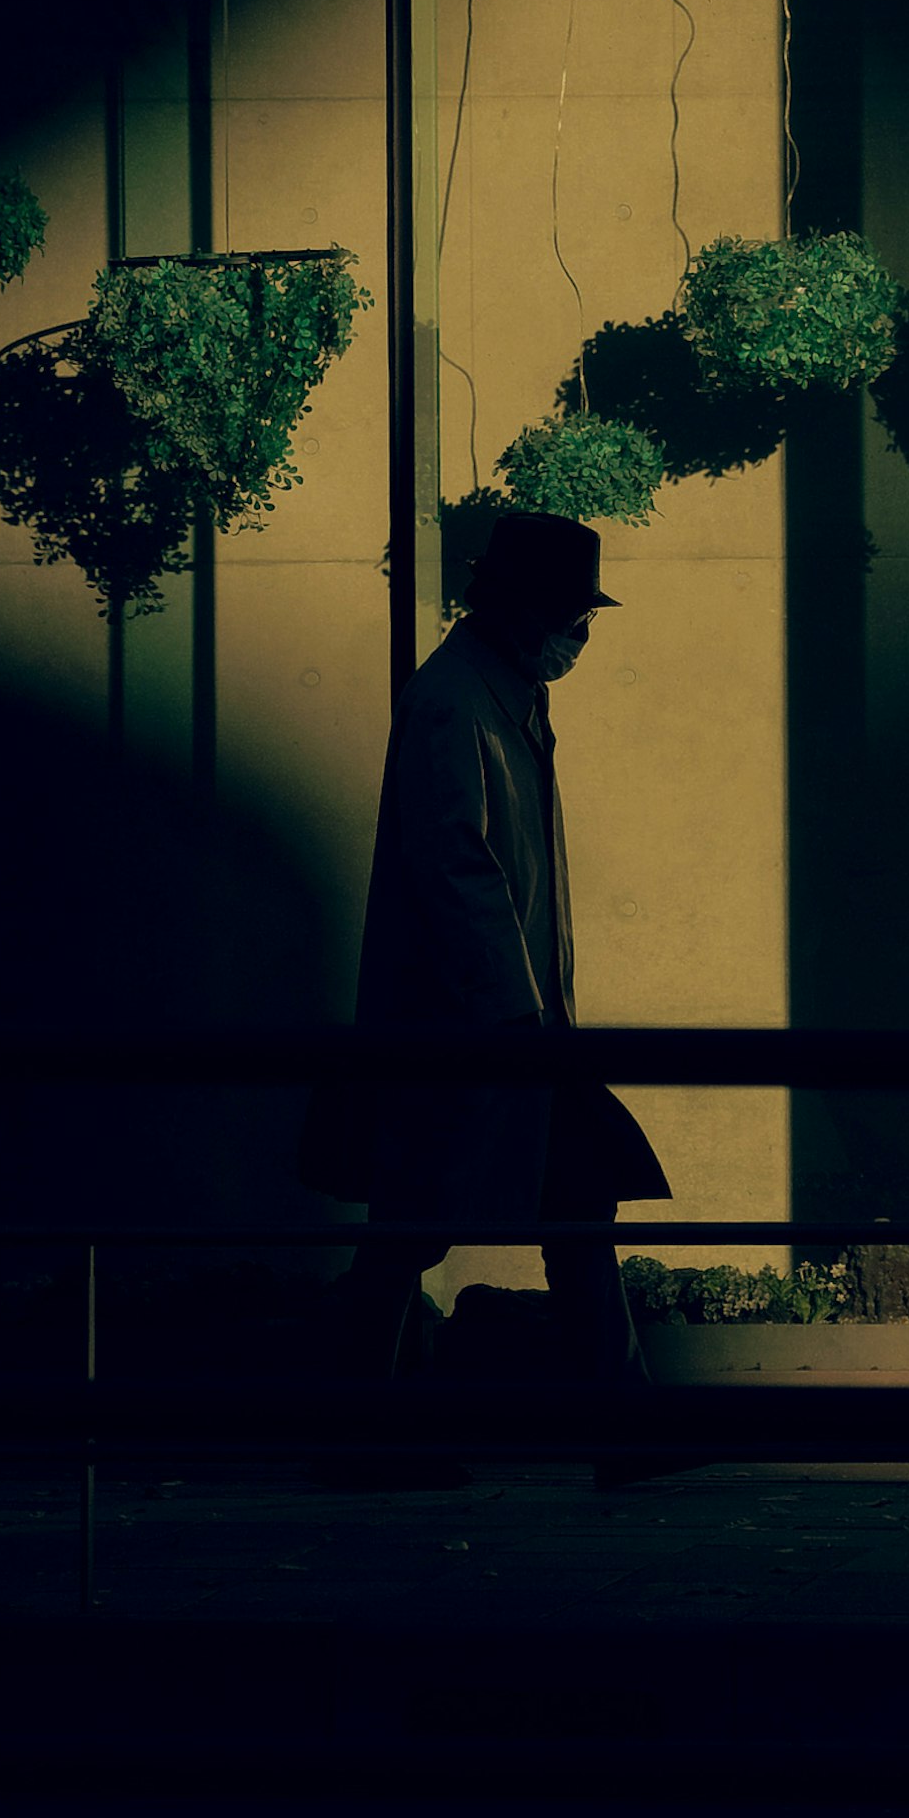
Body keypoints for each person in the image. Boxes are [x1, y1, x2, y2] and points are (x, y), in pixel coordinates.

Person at [300, 503, 668, 1470]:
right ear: (524, 611)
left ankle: (624, 1429)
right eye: (574, 618)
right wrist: (515, 1014)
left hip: (508, 1029)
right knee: (412, 1232)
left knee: (568, 1210)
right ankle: (348, 1435)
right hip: (474, 1034)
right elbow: (458, 867)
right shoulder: (456, 703)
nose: (581, 636)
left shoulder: (493, 694)